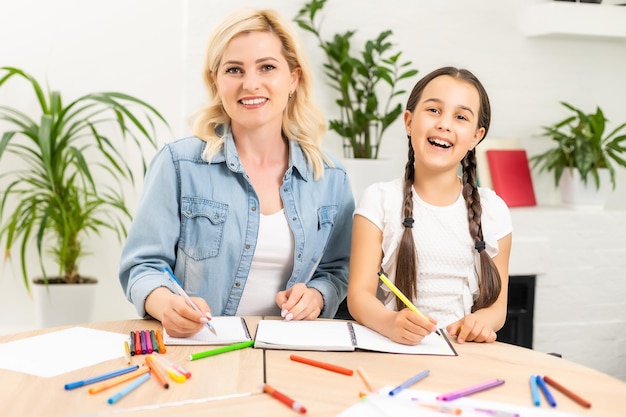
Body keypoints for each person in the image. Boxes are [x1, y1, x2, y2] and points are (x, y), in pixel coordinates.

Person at [119, 8, 354, 338]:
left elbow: (337, 268)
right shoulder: (179, 163)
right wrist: (164, 302)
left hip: (294, 350)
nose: (250, 84)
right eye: (234, 70)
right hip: (201, 347)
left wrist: (318, 295)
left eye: (267, 67)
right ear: (216, 82)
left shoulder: (330, 176)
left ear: (293, 79)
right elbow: (142, 266)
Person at [347, 67, 512, 345]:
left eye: (460, 117)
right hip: (393, 348)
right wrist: (389, 323)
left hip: (463, 352)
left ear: (476, 136)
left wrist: (480, 322)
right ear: (409, 121)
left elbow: (498, 307)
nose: (444, 124)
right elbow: (359, 296)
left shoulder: (494, 211)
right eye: (434, 110)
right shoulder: (379, 200)